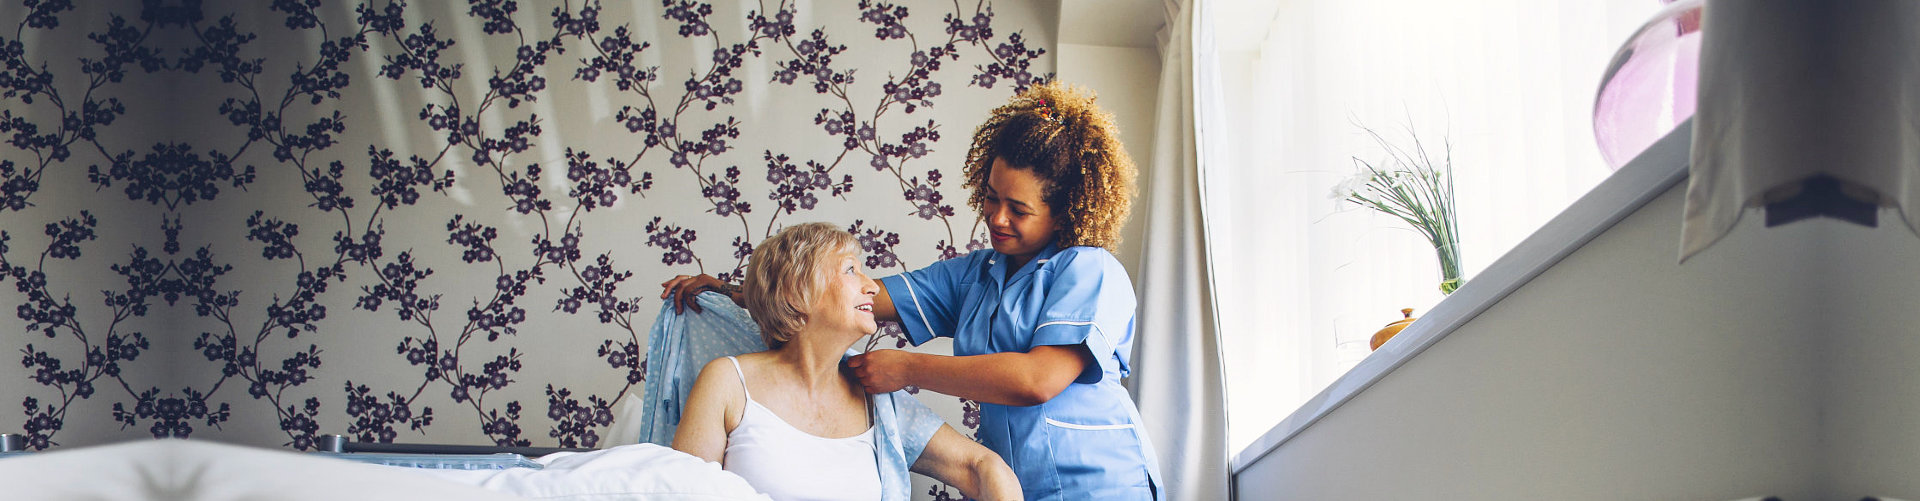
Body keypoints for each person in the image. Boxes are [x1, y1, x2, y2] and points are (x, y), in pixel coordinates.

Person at [663, 82, 1161, 500]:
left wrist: (907, 368)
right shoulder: (974, 276)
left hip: (1101, 484)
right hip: (1023, 486)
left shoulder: (1090, 271)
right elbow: (835, 296)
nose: (996, 217)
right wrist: (736, 290)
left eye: (1018, 208)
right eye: (990, 198)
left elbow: (1037, 380)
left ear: (1064, 211)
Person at [669, 222, 1021, 501]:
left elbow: (980, 466)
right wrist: (731, 291)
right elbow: (679, 493)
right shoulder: (727, 382)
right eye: (851, 270)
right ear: (796, 291)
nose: (871, 286)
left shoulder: (876, 398)